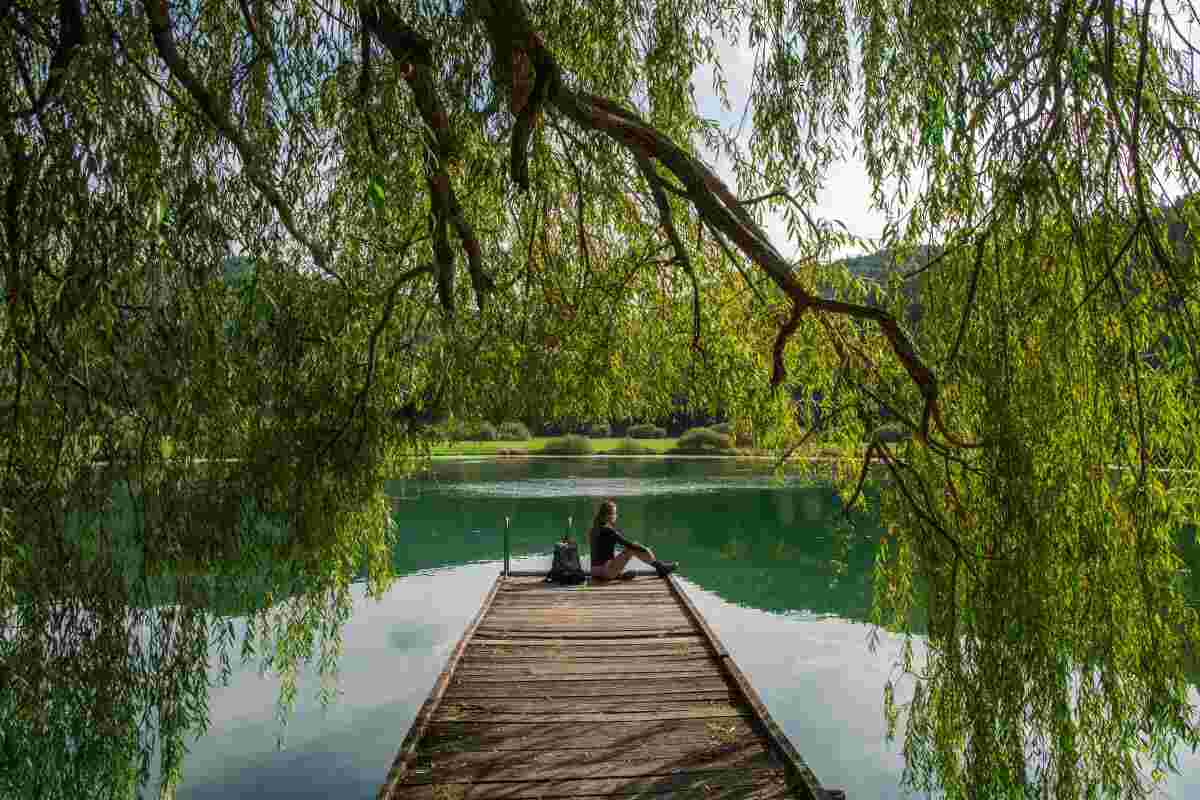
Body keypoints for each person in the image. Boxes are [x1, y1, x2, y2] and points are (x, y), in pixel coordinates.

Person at [588, 499, 676, 580]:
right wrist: (644, 549)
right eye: (614, 513)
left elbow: (602, 553)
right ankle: (660, 567)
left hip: (594, 572)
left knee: (633, 548)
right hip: (606, 571)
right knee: (632, 548)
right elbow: (628, 544)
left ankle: (619, 575)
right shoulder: (608, 530)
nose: (616, 516)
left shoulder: (593, 529)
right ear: (608, 515)